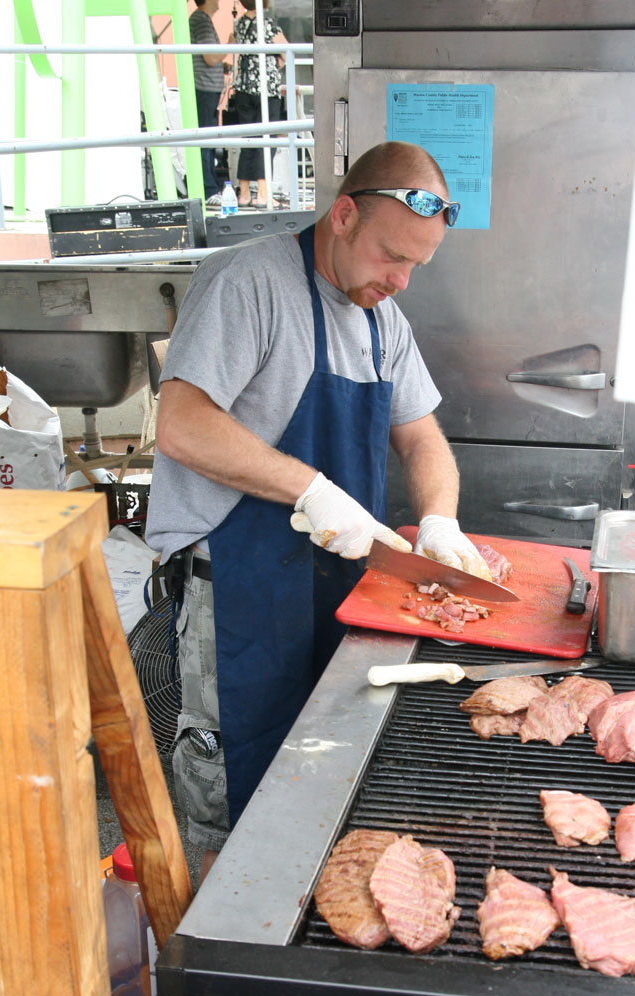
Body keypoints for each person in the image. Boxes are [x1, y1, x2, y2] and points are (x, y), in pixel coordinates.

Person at [144, 140, 491, 883]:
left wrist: (439, 519)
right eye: (391, 257)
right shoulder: (250, 285)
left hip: (337, 589)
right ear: (342, 216)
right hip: (237, 594)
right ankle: (219, 969)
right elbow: (181, 423)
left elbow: (421, 434)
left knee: (321, 783)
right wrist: (309, 487)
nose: (398, 282)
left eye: (415, 268)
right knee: (232, 789)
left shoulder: (380, 318)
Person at [228, 0, 288, 209]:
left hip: (244, 87)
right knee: (267, 139)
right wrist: (274, 68)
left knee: (249, 139)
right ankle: (263, 193)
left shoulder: (239, 24)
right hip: (266, 88)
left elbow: (233, 45)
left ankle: (244, 193)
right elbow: (285, 51)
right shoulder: (268, 23)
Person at [189, 0, 227, 207]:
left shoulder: (202, 20)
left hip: (207, 88)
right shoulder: (201, 21)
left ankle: (210, 185)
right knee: (204, 138)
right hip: (204, 88)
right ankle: (209, 188)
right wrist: (230, 46)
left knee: (207, 138)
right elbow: (210, 57)